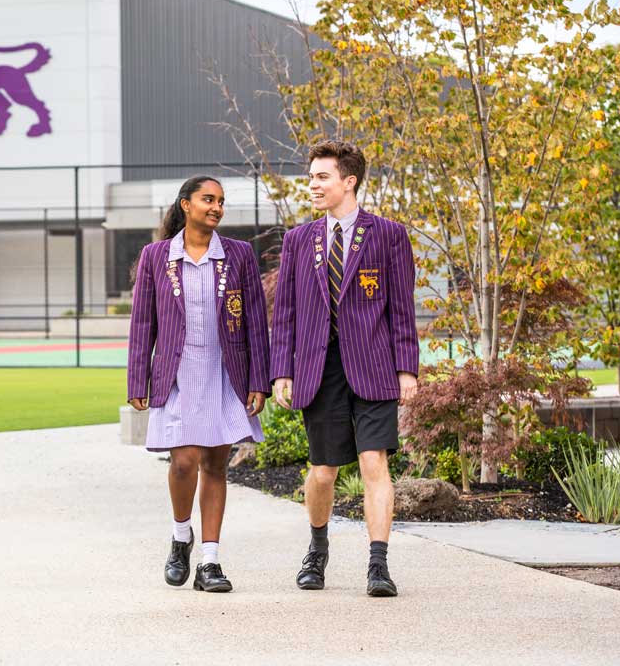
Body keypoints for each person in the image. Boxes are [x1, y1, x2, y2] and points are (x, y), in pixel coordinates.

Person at [270, 140, 419, 598]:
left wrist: (407, 369)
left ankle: (378, 565)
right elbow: (286, 313)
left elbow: (402, 309)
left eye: (322, 176)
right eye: (311, 176)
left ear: (348, 181)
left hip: (374, 366)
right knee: (323, 472)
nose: (312, 184)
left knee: (374, 462)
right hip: (319, 369)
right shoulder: (298, 240)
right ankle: (317, 549)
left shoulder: (389, 235)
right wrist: (282, 370)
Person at [126, 176, 271, 593]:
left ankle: (210, 561)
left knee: (215, 463)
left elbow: (255, 323)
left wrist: (258, 379)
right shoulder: (156, 257)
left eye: (221, 201)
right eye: (208, 199)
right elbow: (143, 324)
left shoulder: (240, 256)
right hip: (177, 374)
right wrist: (139, 377)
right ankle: (179, 536)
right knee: (184, 461)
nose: (216, 207)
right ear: (186, 205)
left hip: (226, 373)